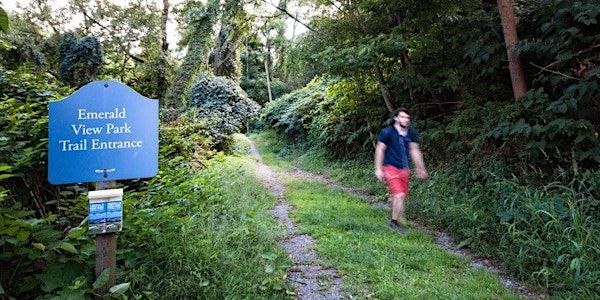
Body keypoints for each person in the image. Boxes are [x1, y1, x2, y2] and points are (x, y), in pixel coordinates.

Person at [374, 107, 428, 233]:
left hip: (404, 169)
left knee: (400, 196)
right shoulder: (387, 132)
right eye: (403, 117)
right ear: (396, 118)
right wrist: (378, 168)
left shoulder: (411, 133)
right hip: (390, 167)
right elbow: (380, 149)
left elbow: (414, 150)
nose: (406, 120)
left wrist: (420, 168)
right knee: (399, 194)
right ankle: (394, 222)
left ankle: (399, 217)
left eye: (407, 117)